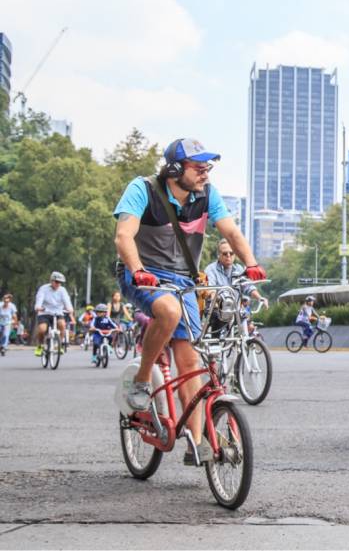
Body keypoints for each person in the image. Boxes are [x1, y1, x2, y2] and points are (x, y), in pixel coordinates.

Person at [114, 137, 266, 465]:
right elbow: (124, 235)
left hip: (183, 282)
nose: (205, 173)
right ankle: (142, 380)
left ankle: (196, 443)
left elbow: (232, 233)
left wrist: (251, 264)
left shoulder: (207, 195)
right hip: (143, 275)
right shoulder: (143, 189)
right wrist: (138, 270)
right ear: (174, 169)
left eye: (207, 167)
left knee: (190, 363)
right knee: (167, 310)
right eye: (198, 167)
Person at [203, 239, 269, 307]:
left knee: (247, 316)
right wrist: (215, 300)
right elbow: (210, 289)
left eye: (231, 253)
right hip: (216, 311)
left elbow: (248, 287)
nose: (228, 256)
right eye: (225, 253)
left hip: (235, 312)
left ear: (234, 255)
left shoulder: (239, 269)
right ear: (218, 255)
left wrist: (260, 298)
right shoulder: (211, 269)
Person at [33, 271, 75, 357]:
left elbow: (67, 301)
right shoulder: (43, 288)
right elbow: (39, 299)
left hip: (58, 312)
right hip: (45, 312)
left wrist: (70, 309)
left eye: (60, 282)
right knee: (42, 329)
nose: (58, 284)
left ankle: (59, 345)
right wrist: (38, 307)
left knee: (62, 325)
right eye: (56, 282)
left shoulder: (63, 290)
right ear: (51, 280)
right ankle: (40, 346)